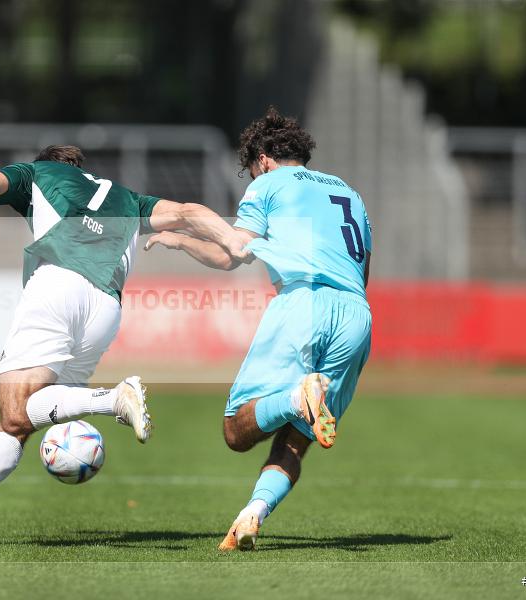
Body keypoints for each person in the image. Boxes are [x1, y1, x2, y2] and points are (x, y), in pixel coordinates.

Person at [0, 144, 237, 548]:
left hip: (58, 287)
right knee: (19, 423)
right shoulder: (130, 199)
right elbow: (188, 211)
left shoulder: (38, 174)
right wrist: (234, 240)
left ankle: (113, 400)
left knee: (15, 410)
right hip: (106, 308)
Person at [145, 107, 373, 551]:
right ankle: (252, 515)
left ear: (263, 158)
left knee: (236, 431)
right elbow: (363, 269)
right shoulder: (351, 193)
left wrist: (181, 241)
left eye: (251, 170)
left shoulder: (267, 184)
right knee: (299, 435)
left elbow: (232, 253)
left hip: (304, 301)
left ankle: (293, 396)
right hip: (356, 313)